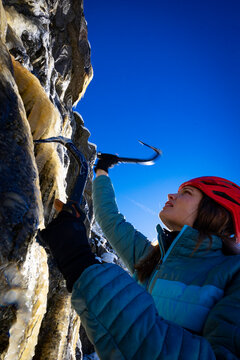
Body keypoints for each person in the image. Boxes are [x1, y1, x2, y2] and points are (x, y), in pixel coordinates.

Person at [41, 157, 240, 360]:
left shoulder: (234, 273)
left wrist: (80, 263)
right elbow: (110, 219)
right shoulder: (153, 259)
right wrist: (101, 172)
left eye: (186, 193)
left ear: (216, 213)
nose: (171, 195)